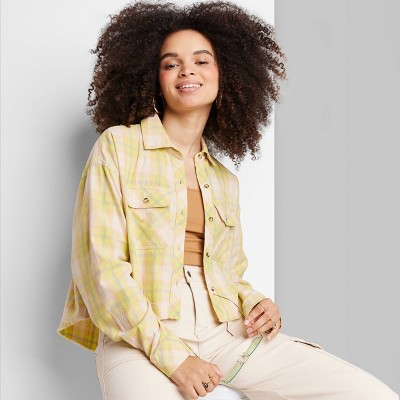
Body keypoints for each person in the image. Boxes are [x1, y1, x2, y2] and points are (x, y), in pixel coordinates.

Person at [57, 1, 398, 399]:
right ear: (153, 77)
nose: (187, 70)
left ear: (227, 74)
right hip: (140, 337)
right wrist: (174, 357)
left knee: (370, 394)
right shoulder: (118, 146)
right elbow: (101, 271)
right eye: (171, 63)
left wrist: (255, 302)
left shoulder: (223, 180)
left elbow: (228, 275)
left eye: (202, 61)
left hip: (224, 332)